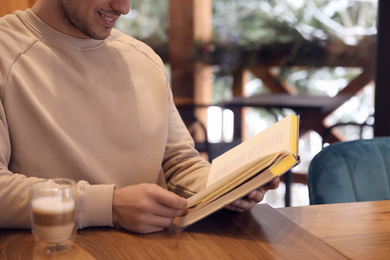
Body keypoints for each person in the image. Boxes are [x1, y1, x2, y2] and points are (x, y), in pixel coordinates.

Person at [0, 0, 280, 234]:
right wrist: (108, 206)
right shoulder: (6, 50)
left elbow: (178, 164)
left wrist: (226, 187)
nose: (123, 7)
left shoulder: (144, 60)